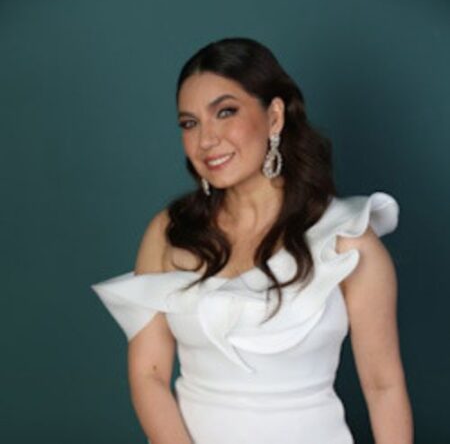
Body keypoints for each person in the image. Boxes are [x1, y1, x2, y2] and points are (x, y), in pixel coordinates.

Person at [91, 37, 413, 444]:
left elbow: (383, 386)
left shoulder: (348, 239)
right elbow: (148, 374)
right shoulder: (169, 232)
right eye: (189, 123)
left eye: (225, 112)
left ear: (274, 117)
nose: (206, 140)